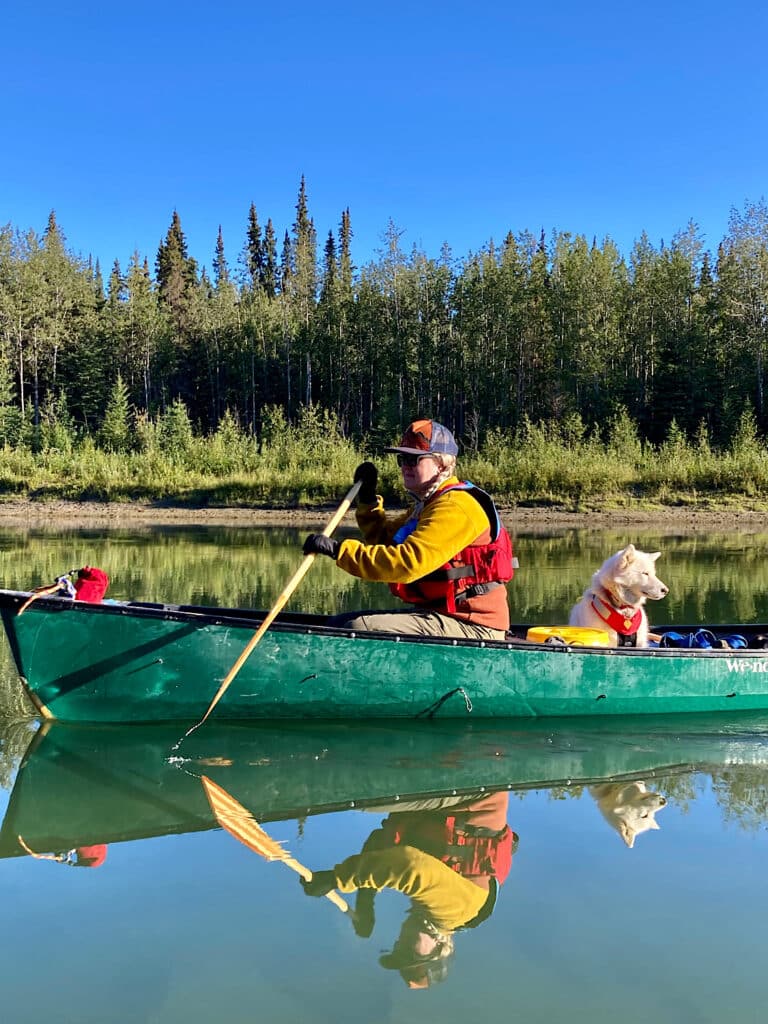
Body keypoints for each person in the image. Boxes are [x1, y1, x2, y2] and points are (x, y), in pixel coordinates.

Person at [302, 418, 515, 639]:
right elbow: (386, 541)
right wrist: (367, 501)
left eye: (413, 459)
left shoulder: (456, 507)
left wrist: (340, 551)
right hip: (441, 615)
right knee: (336, 623)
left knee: (355, 628)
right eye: (402, 459)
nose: (405, 466)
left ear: (441, 464)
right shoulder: (427, 505)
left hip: (474, 625)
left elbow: (407, 563)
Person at [301, 791, 516, 989]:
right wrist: (336, 879)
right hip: (471, 794)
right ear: (441, 947)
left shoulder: (436, 908)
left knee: (367, 797)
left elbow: (382, 843)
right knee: (355, 796)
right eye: (408, 953)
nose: (399, 944)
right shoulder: (456, 913)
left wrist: (365, 903)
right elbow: (410, 867)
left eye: (397, 951)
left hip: (450, 798)